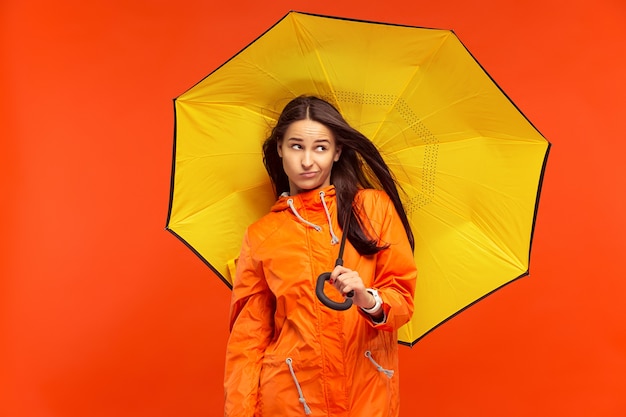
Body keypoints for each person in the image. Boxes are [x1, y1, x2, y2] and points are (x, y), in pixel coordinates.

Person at [224, 95, 417, 417]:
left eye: (321, 148)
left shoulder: (372, 208)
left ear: (337, 152)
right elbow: (247, 338)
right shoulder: (262, 235)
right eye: (297, 146)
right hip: (289, 400)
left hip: (365, 395)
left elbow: (402, 301)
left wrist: (366, 298)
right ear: (280, 149)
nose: (308, 161)